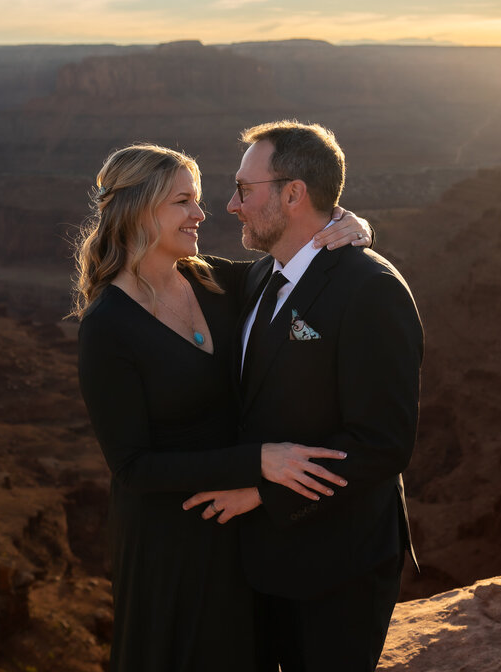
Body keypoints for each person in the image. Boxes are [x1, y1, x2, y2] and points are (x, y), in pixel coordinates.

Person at [72, 143, 374, 672]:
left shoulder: (216, 281)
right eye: (183, 201)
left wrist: (351, 226)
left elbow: (298, 258)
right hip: (173, 541)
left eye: (200, 199)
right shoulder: (107, 327)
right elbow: (131, 465)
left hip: (243, 530)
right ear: (138, 209)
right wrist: (258, 462)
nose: (200, 213)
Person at [184, 121, 424, 671]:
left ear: (293, 194)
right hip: (264, 564)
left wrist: (264, 495)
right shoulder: (261, 278)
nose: (230, 205)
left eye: (245, 189)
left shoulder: (371, 292)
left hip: (339, 568)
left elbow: (382, 444)